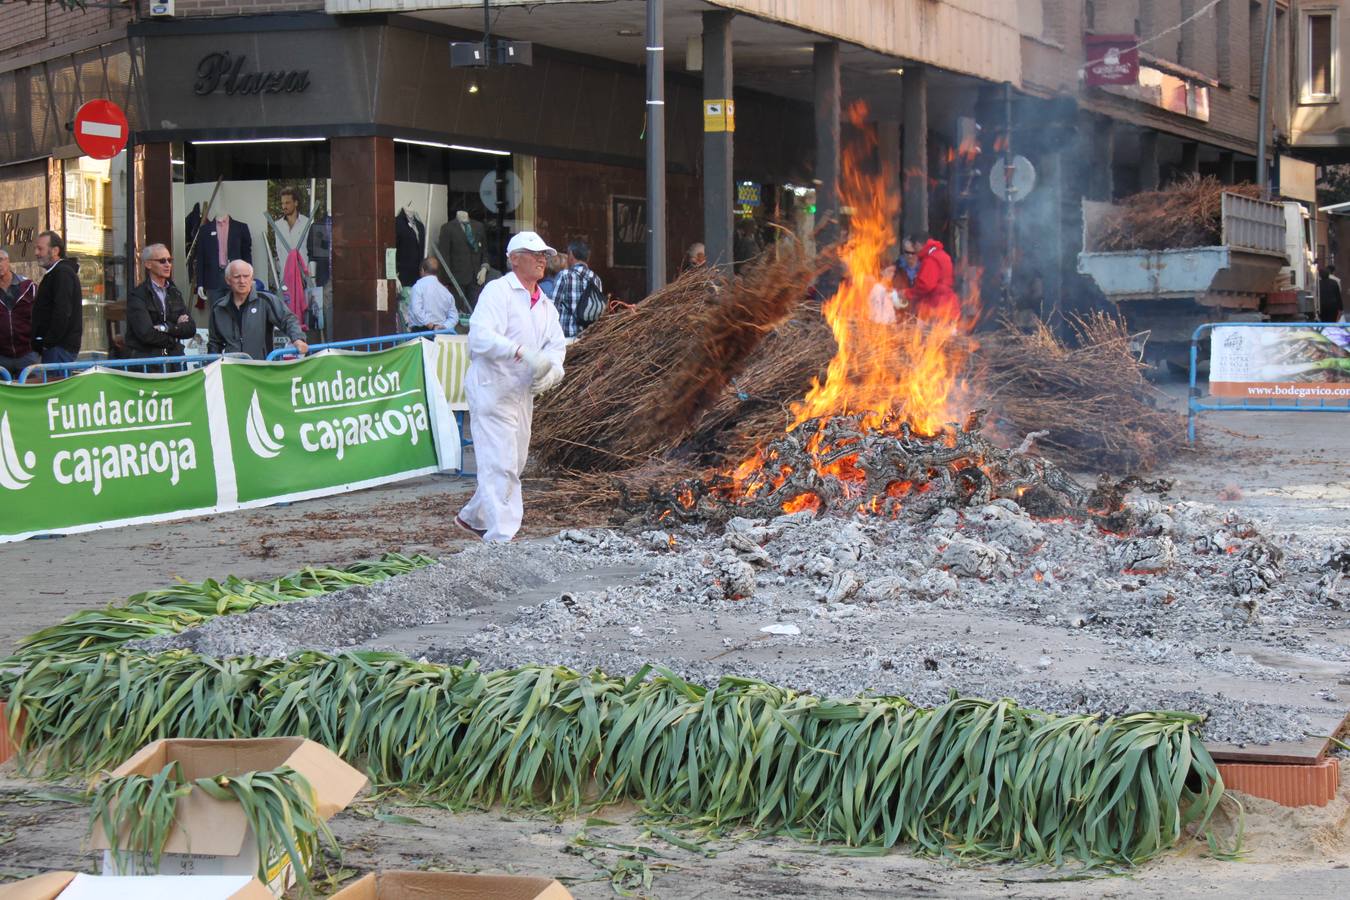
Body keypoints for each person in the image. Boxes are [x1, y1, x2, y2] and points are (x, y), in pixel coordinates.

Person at [455, 231, 566, 543]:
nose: (542, 259)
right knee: (500, 463)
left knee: (512, 463)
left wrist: (552, 373)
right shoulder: (498, 292)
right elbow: (479, 337)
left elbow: (557, 349)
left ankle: (473, 516)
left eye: (544, 254)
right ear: (514, 258)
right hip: (492, 390)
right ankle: (502, 536)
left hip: (521, 394)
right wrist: (518, 351)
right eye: (534, 253)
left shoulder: (545, 305)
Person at [207, 259, 309, 360]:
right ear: (228, 280)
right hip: (232, 369)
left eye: (246, 276)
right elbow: (214, 343)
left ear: (252, 279)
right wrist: (211, 367)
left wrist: (298, 339)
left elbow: (288, 319)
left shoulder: (266, 301)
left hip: (261, 368)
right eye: (237, 277)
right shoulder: (219, 308)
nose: (242, 281)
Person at [125, 243, 196, 363]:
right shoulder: (138, 295)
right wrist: (174, 336)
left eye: (169, 260)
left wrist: (166, 328)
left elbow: (190, 328)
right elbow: (146, 334)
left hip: (174, 361)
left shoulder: (174, 292)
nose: (168, 265)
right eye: (162, 261)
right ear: (148, 264)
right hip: (148, 362)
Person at [31, 230, 82, 364]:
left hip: (59, 348)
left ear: (55, 251)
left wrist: (48, 342)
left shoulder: (62, 273)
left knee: (56, 382)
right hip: (55, 348)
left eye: (40, 248)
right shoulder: (55, 273)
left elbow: (62, 311)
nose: (36, 253)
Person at [552, 239, 605, 339]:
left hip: (567, 337)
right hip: (589, 337)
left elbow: (553, 308)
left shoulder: (564, 275)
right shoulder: (596, 279)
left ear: (571, 255)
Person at [902, 232, 960, 321]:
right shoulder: (941, 254)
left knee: (932, 334)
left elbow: (925, 285)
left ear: (918, 244)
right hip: (948, 306)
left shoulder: (931, 259)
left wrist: (906, 293)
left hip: (937, 308)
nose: (915, 253)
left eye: (914, 248)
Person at [0, 249, 38, 377]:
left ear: (8, 261)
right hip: (2, 357)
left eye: (0, 260)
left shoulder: (28, 286)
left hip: (27, 354)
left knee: (32, 393)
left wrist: (39, 344)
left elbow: (41, 316)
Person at [407, 256, 456, 332]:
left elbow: (417, 311)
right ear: (437, 273)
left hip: (419, 333)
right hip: (440, 334)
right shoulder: (446, 292)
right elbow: (454, 317)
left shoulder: (418, 287)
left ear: (422, 270)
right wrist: (444, 326)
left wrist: (431, 326)